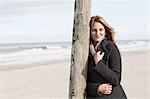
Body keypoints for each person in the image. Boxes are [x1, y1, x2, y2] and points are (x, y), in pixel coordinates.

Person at [86, 16, 127, 99]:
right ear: (89, 32)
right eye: (94, 30)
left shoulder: (111, 47)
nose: (98, 33)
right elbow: (82, 82)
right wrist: (97, 88)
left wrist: (99, 63)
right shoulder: (85, 52)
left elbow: (116, 79)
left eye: (101, 30)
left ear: (105, 32)